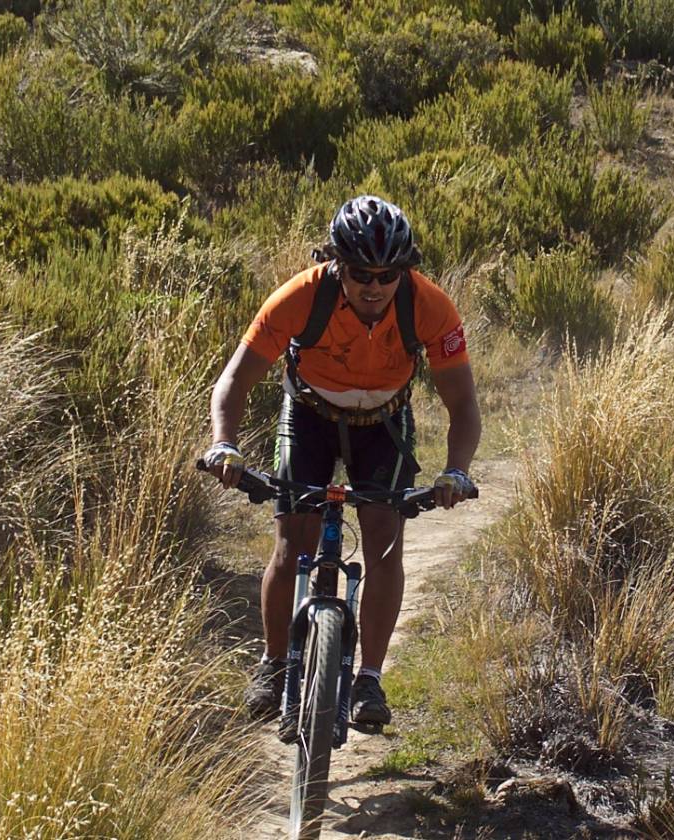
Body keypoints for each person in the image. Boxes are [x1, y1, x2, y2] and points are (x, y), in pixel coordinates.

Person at [203, 195, 480, 735]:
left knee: (384, 542)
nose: (374, 287)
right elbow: (234, 380)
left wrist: (456, 470)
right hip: (308, 414)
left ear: (405, 271)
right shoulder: (301, 298)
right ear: (336, 263)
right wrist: (224, 444)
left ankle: (369, 678)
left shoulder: (429, 306)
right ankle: (274, 662)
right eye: (360, 274)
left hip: (385, 423)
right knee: (293, 542)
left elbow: (463, 405)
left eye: (387, 275)